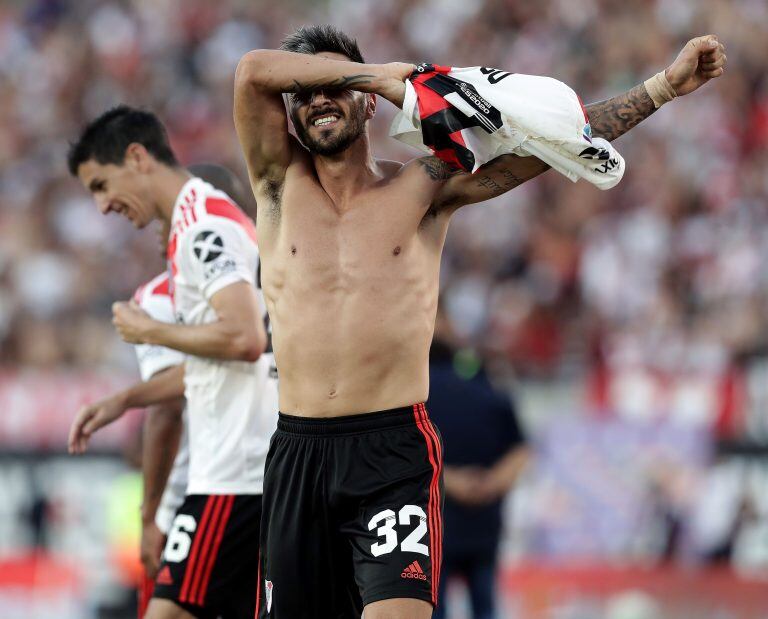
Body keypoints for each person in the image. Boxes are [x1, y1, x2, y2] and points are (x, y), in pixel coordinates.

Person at [234, 23, 725, 619]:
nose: (316, 102)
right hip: (299, 453)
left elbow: (554, 140)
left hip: (391, 451)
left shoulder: (423, 186)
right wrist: (387, 76)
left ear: (368, 104)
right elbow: (252, 73)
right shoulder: (277, 185)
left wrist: (662, 88)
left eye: (333, 88)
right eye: (304, 93)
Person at [67, 109, 277, 619]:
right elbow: (227, 354)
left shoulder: (202, 223)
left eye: (101, 184)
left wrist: (150, 330)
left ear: (137, 158)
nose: (101, 206)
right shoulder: (200, 220)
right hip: (240, 467)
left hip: (234, 474)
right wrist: (123, 400)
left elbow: (245, 338)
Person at [427, 306, 528, 619]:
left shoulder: (412, 390)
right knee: (484, 605)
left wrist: (452, 481)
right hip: (477, 514)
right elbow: (520, 448)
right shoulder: (487, 381)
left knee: (435, 606)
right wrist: (489, 483)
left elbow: (400, 452)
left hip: (437, 516)